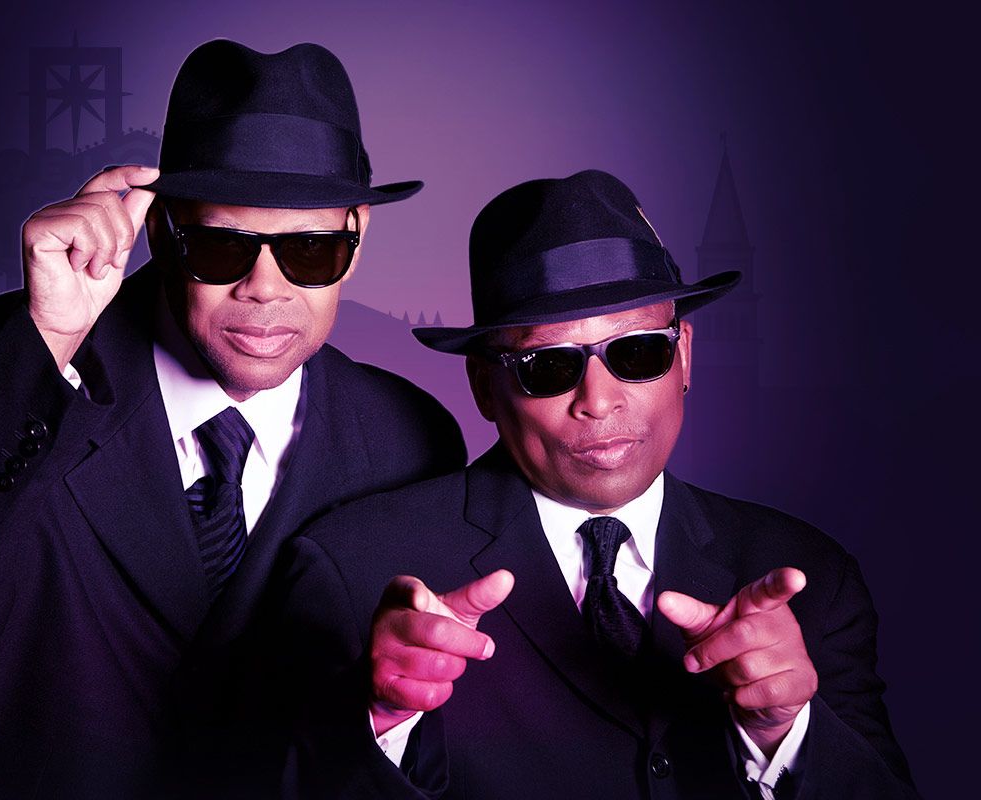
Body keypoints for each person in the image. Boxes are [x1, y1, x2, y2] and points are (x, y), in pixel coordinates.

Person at [0, 40, 464, 798]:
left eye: (311, 250)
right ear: (160, 229)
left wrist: (388, 712)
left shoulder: (407, 443)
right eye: (221, 246)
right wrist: (48, 344)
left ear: (357, 238)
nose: (265, 288)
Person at [277, 170, 918, 798]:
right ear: (483, 387)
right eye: (547, 366)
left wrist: (786, 733)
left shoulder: (813, 577)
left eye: (637, 352)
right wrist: (381, 720)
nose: (599, 400)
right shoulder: (354, 568)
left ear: (683, 356)